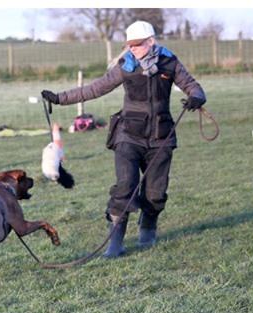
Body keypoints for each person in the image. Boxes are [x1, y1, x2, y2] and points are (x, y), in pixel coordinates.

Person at [41, 20, 207, 257]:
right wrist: (59, 98)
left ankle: (148, 226)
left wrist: (197, 98)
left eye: (137, 45)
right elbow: (95, 88)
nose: (133, 49)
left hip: (161, 137)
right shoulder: (125, 66)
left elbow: (193, 86)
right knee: (125, 186)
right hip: (128, 136)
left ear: (151, 42)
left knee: (155, 193)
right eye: (129, 45)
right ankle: (115, 241)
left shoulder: (170, 62)